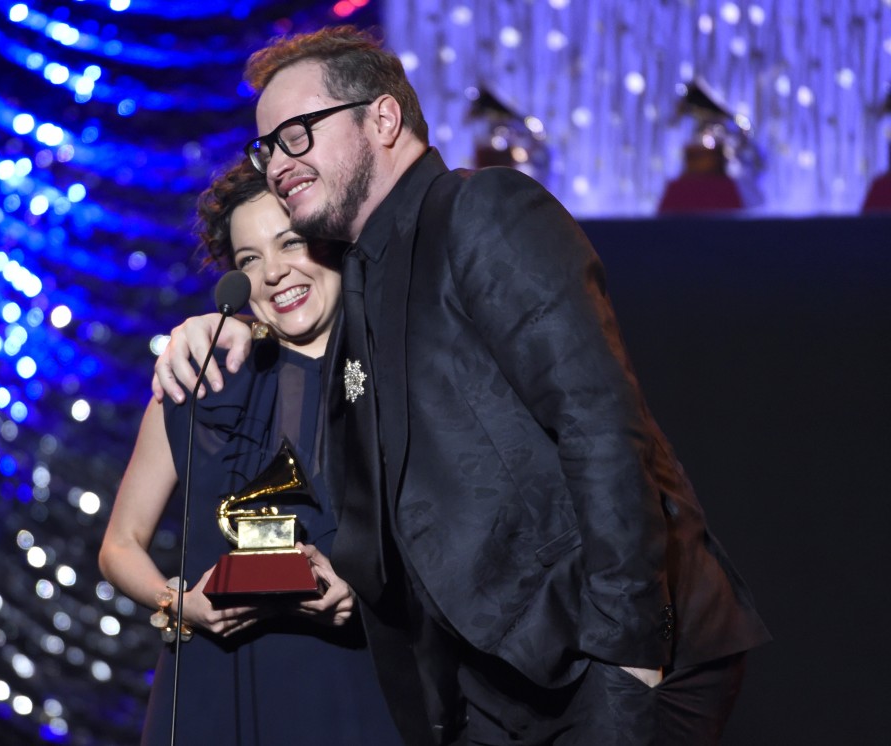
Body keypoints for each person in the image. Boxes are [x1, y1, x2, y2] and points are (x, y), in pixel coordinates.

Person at [153, 26, 771, 746]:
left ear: (382, 119)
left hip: (603, 656)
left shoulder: (484, 211)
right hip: (490, 682)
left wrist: (629, 659)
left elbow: (600, 429)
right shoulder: (360, 274)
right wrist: (226, 328)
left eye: (296, 134)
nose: (278, 164)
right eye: (266, 146)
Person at [99, 158, 401, 746]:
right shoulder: (199, 378)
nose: (274, 273)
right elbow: (119, 545)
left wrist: (366, 596)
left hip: (365, 687)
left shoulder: (400, 371)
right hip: (219, 691)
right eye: (249, 261)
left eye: (291, 242)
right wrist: (181, 603)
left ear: (332, 240)